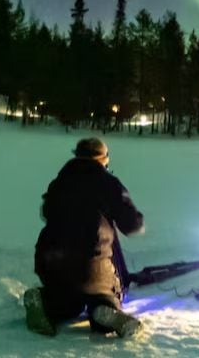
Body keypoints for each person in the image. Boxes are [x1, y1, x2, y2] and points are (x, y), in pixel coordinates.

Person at [24, 136, 145, 338]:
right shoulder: (108, 182)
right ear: (102, 158)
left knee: (69, 301)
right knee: (102, 295)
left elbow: (46, 211)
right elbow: (132, 224)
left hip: (48, 261)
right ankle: (103, 311)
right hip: (91, 263)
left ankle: (44, 301)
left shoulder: (60, 181)